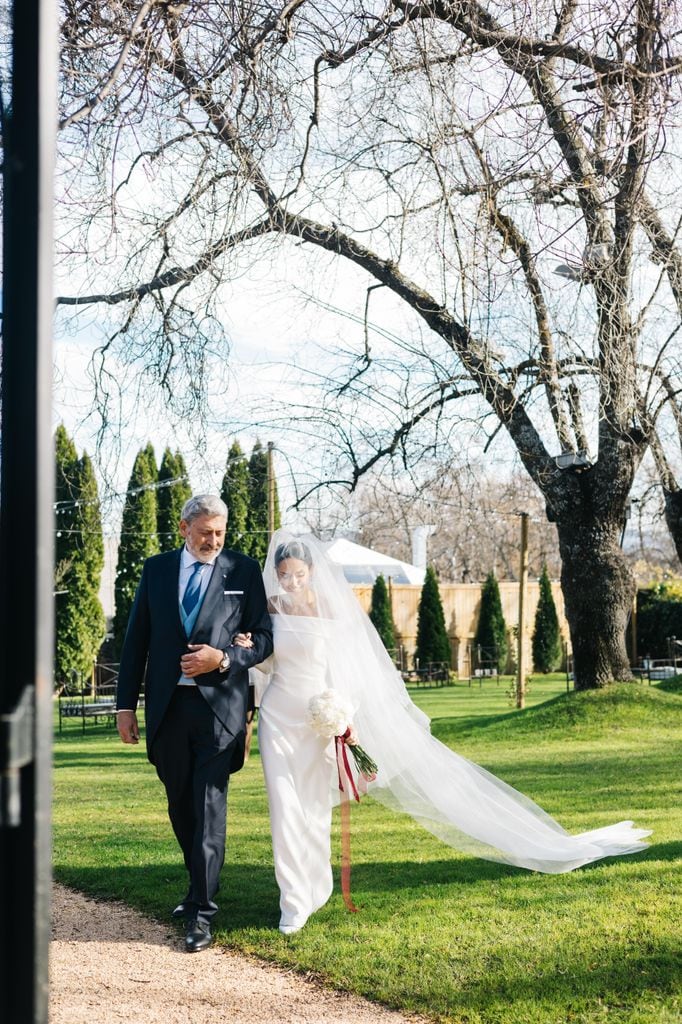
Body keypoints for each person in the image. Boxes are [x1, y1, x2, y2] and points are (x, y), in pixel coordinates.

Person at [239, 530, 651, 936]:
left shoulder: (332, 609)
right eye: (285, 575)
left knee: (312, 808)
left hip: (320, 721)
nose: (291, 583)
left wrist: (343, 716)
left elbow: (353, 672)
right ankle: (292, 901)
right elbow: (263, 660)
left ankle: (316, 888)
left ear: (311, 572)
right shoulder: (270, 608)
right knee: (284, 807)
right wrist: (245, 646)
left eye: (298, 575)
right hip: (279, 717)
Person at [115, 494, 273, 952]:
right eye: (206, 532)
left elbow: (263, 637)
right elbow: (135, 642)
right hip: (168, 711)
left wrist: (224, 658)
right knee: (181, 807)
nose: (214, 540)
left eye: (220, 532)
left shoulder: (242, 570)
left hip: (219, 710)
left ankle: (202, 913)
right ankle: (200, 885)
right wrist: (126, 706)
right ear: (184, 528)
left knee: (208, 810)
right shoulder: (156, 569)